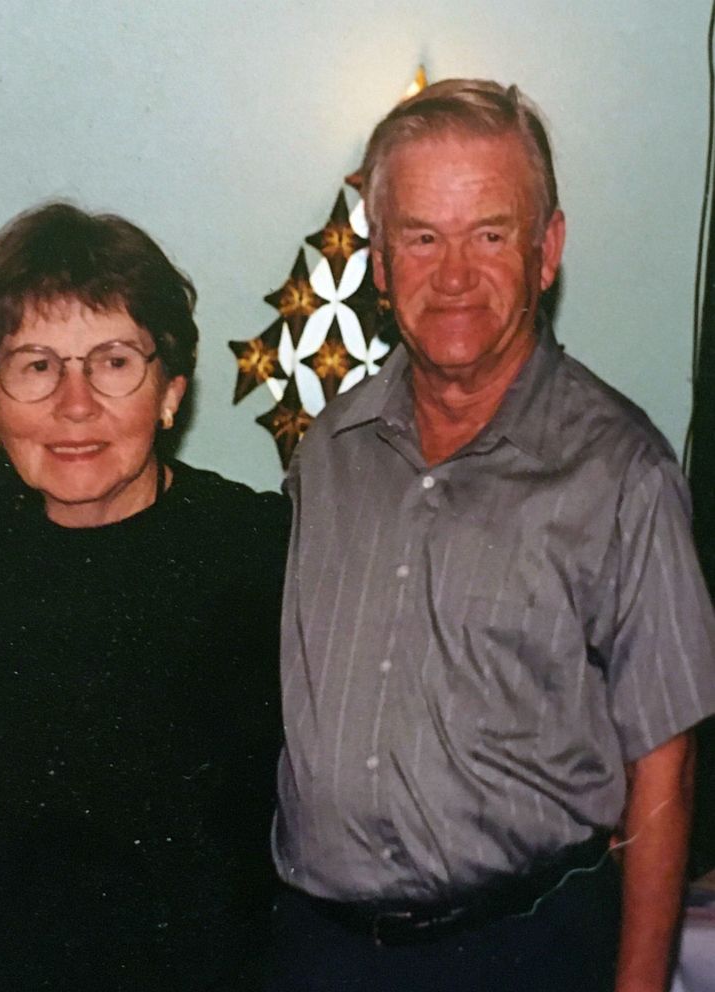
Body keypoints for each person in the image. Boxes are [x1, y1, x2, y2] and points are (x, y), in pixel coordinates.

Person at [270, 79, 715, 992]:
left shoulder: (620, 472)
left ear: (546, 249)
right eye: (422, 237)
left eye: (491, 233)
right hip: (319, 952)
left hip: (523, 953)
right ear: (380, 262)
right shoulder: (329, 452)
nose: (455, 274)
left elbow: (663, 762)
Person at [0, 202, 289, 990]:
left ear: (171, 391)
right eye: (36, 365)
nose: (74, 404)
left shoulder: (258, 550)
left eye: (113, 362)